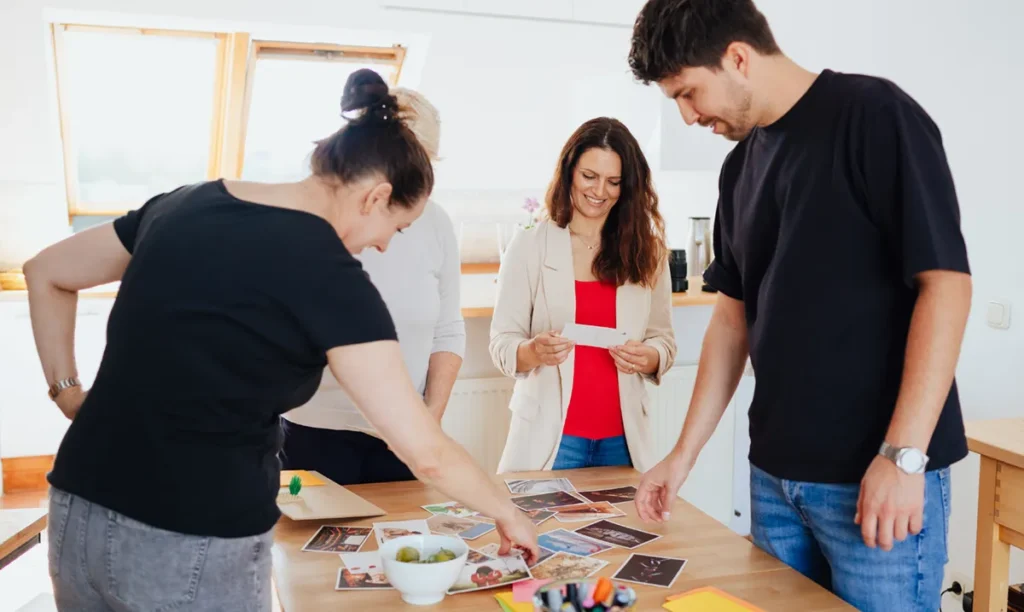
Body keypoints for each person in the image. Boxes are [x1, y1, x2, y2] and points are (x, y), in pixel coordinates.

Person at [25, 78, 537, 612]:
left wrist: (67, 392)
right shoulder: (330, 275)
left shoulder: (185, 203)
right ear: (376, 196)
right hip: (192, 536)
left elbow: (47, 273)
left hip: (77, 510)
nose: (384, 243)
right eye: (396, 228)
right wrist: (506, 511)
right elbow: (425, 453)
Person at [628, 1, 972, 611]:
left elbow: (945, 285)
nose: (686, 116)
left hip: (874, 477)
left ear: (737, 57)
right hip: (775, 479)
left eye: (688, 93)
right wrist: (682, 455)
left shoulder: (876, 115)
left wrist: (903, 458)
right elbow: (731, 322)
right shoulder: (739, 170)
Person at [281, 70, 465, 485]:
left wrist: (427, 423)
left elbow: (448, 331)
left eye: (428, 163)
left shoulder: (437, 224)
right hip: (317, 430)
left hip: (405, 435)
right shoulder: (326, 221)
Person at [489, 117, 676, 474]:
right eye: (589, 176)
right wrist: (532, 351)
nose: (600, 191)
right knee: (535, 531)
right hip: (552, 441)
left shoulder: (647, 252)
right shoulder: (530, 245)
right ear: (569, 171)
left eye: (614, 182)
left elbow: (663, 340)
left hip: (624, 441)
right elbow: (502, 344)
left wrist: (649, 357)